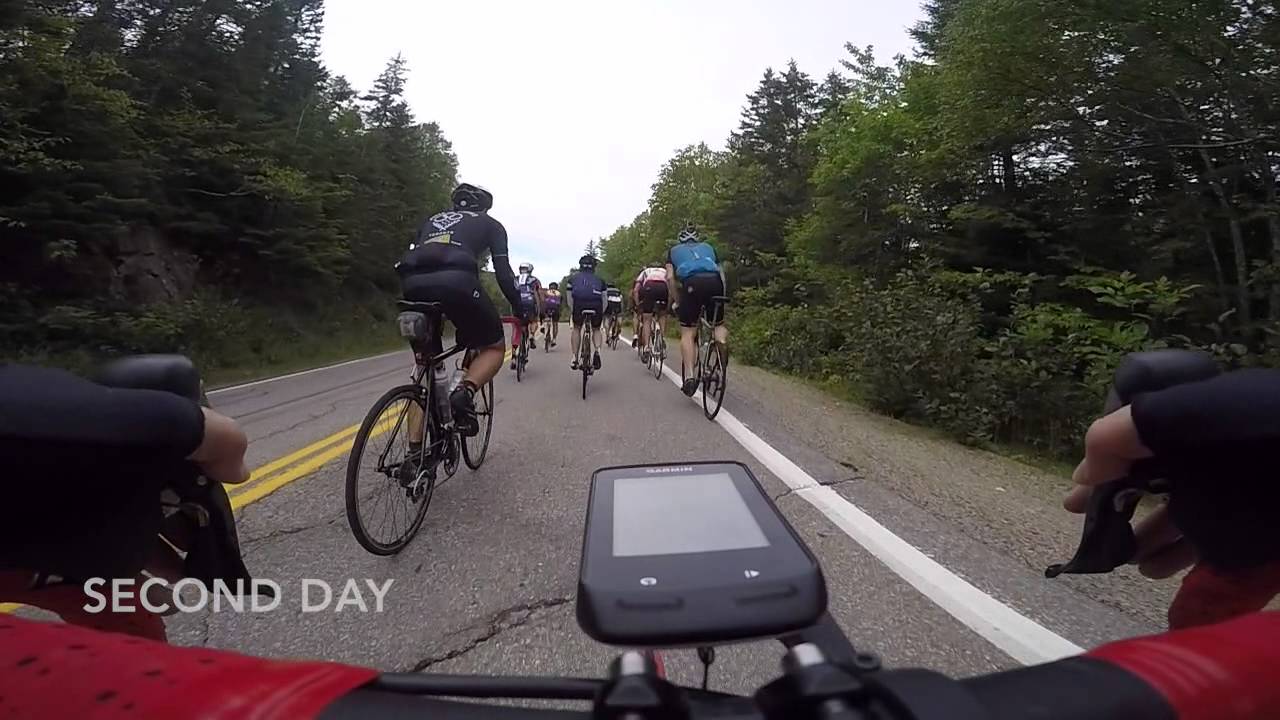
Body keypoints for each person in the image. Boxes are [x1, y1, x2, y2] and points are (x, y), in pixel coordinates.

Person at [0, 362, 251, 641]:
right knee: (133, 639)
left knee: (129, 619)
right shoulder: (166, 421)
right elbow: (232, 456)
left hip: (45, 543)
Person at [1065, 367, 1280, 629]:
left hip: (1252, 541)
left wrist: (1101, 479)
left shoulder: (1171, 410)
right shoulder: (1225, 406)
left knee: (1194, 613)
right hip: (1236, 508)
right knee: (1159, 569)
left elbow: (1099, 446)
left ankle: (1193, 657)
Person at [397, 183, 523, 436]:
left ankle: (413, 456)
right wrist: (520, 308)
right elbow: (504, 275)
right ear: (485, 207)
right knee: (494, 346)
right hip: (458, 283)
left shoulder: (431, 220)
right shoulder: (492, 225)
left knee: (425, 368)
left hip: (412, 284)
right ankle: (464, 391)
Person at [665, 222, 728, 396]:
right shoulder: (709, 247)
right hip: (715, 283)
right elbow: (722, 274)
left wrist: (677, 300)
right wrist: (722, 295)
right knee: (718, 324)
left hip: (692, 284)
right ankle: (721, 344)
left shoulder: (673, 251)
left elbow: (670, 278)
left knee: (688, 332)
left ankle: (690, 378)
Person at [568, 254, 606, 371]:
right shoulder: (600, 280)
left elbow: (570, 299)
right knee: (596, 329)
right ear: (593, 267)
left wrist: (573, 310)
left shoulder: (573, 279)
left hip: (579, 304)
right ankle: (597, 352)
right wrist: (601, 312)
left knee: (577, 328)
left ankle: (574, 357)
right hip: (596, 305)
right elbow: (604, 300)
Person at [632, 261, 670, 361]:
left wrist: (638, 305)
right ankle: (662, 337)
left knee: (647, 319)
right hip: (663, 288)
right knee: (662, 315)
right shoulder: (665, 271)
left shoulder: (646, 271)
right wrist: (668, 306)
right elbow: (670, 287)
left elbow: (636, 290)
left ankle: (647, 347)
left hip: (650, 287)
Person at [512, 262, 543, 368]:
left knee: (517, 328)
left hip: (517, 303)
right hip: (529, 302)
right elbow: (538, 294)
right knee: (534, 321)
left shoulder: (515, 279)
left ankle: (513, 355)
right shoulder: (534, 280)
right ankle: (531, 335)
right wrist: (540, 309)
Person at [542, 281, 563, 348]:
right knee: (555, 324)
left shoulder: (546, 292)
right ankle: (554, 340)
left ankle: (545, 332)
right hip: (556, 309)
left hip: (547, 308)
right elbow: (560, 303)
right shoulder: (559, 293)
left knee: (546, 320)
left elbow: (543, 301)